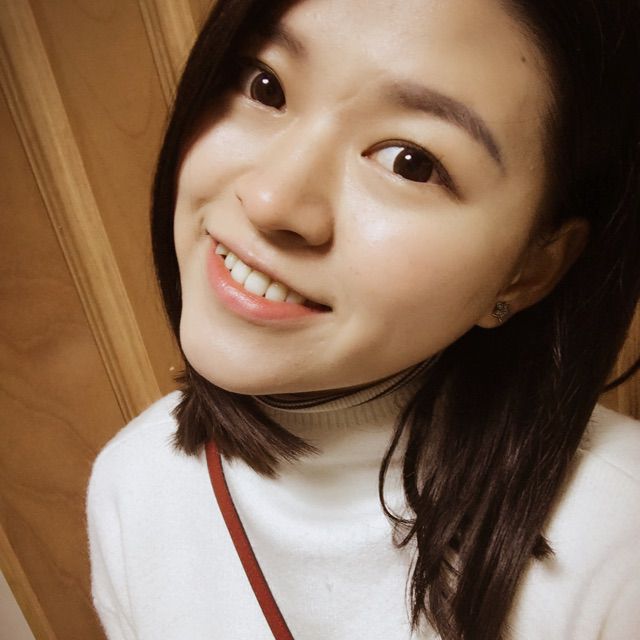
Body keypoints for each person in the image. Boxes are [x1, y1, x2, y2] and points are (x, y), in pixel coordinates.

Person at [86, 0, 640, 638]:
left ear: (529, 269)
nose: (271, 199)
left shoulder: (618, 545)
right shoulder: (132, 486)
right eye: (265, 87)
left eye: (411, 161)